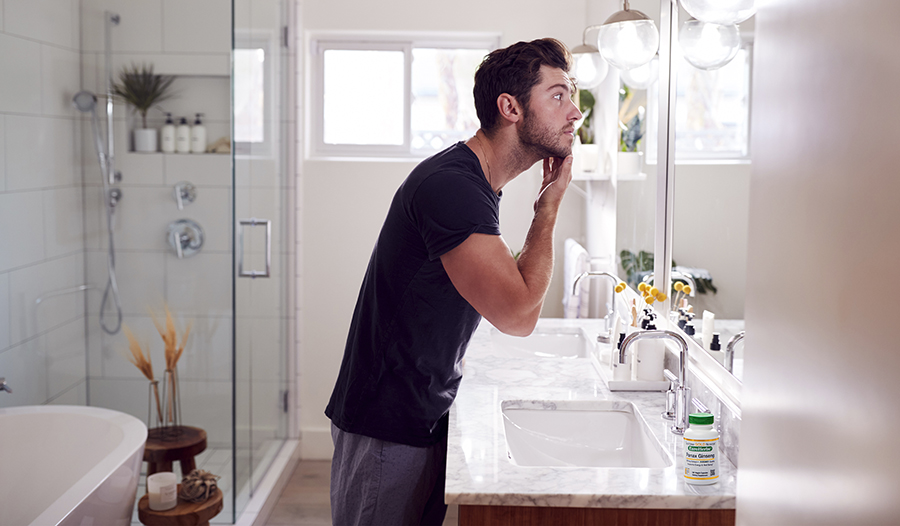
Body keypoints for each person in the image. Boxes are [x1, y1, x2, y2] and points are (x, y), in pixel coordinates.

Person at [325, 37, 583, 525]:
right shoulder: (453, 187)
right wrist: (547, 210)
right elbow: (519, 314)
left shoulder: (477, 184)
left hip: (418, 413)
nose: (574, 112)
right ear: (510, 107)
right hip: (388, 425)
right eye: (558, 95)